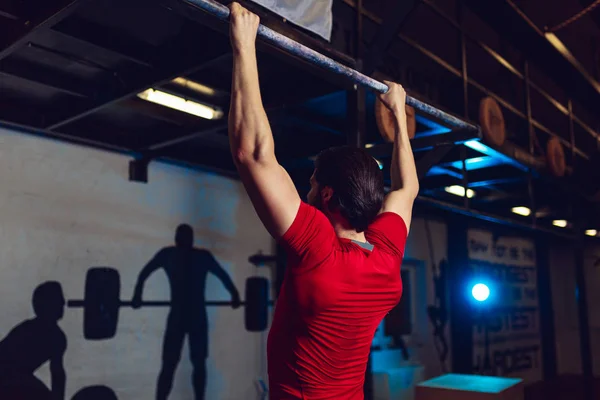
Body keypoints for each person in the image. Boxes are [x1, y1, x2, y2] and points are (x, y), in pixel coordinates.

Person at [227, 3, 419, 399]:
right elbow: (407, 189)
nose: (307, 191)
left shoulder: (319, 248)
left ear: (327, 193)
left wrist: (244, 46)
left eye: (312, 183)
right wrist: (399, 116)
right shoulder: (384, 257)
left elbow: (254, 155)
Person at [131, 224, 241, 400]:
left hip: (185, 316)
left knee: (182, 365)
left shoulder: (174, 255)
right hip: (191, 316)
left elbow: (145, 273)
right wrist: (234, 294)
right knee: (179, 365)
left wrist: (138, 293)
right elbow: (223, 276)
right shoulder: (189, 256)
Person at [0, 281, 67, 400]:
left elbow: (57, 374)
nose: (63, 302)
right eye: (59, 299)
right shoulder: (54, 336)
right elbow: (57, 374)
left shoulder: (54, 335)